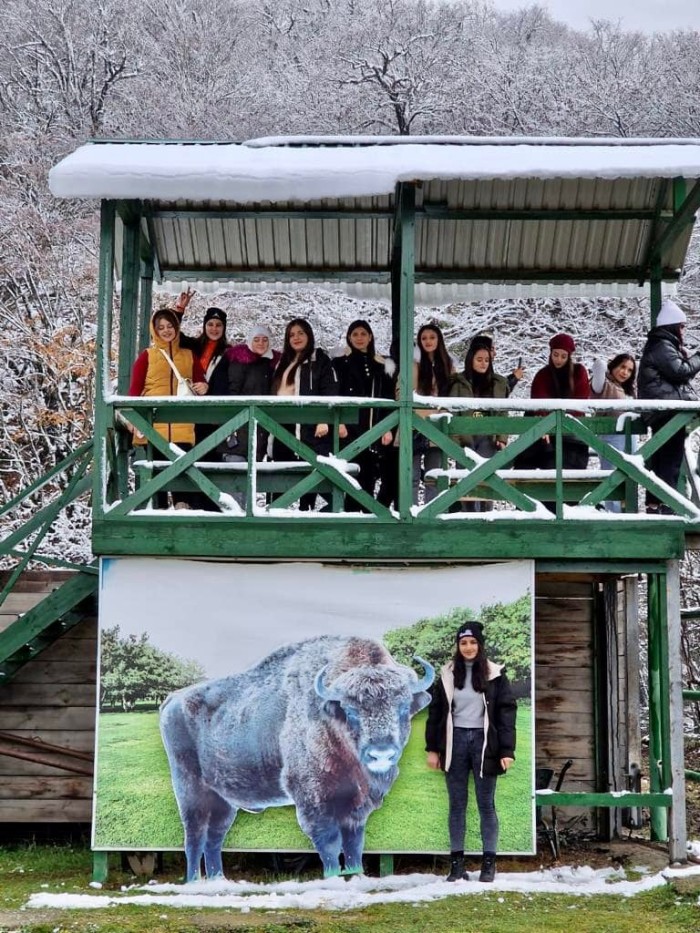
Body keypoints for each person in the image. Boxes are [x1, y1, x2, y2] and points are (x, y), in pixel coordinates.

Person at [425, 621, 516, 884]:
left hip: (484, 743)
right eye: (463, 643)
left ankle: (488, 865)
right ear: (458, 646)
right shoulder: (447, 674)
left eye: (473, 642)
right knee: (457, 805)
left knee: (486, 804)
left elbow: (506, 713)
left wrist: (506, 750)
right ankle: (456, 866)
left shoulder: (494, 674)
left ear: (480, 645)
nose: (468, 647)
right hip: (455, 744)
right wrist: (433, 748)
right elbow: (436, 714)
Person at [128, 308, 208, 509]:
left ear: (177, 327)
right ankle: (159, 514)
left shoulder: (189, 355)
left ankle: (183, 515)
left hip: (183, 427)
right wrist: (131, 419)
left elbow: (201, 380)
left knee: (183, 477)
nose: (166, 330)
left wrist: (204, 386)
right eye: (161, 327)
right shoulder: (147, 356)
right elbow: (134, 392)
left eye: (170, 326)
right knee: (158, 480)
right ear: (154, 331)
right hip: (153, 429)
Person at [270, 318, 340, 511]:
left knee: (312, 481)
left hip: (310, 430)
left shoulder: (320, 360)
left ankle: (309, 517)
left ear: (309, 335)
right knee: (279, 480)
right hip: (281, 429)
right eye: (292, 334)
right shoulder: (282, 363)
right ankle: (276, 521)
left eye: (301, 333)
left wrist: (322, 419)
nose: (296, 337)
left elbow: (330, 390)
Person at [638, 299, 700, 513]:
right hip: (665, 412)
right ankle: (666, 505)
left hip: (662, 411)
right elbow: (680, 371)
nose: (684, 330)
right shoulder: (662, 345)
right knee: (669, 460)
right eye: (681, 326)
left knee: (662, 458)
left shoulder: (659, 344)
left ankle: (656, 505)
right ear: (673, 325)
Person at [333, 320, 395, 509]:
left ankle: (369, 523)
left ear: (370, 337)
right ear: (349, 338)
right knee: (352, 478)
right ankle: (352, 524)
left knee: (371, 478)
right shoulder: (339, 363)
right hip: (349, 429)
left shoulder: (383, 364)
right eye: (355, 334)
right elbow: (333, 394)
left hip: (375, 428)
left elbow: (389, 399)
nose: (359, 338)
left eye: (363, 334)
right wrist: (339, 423)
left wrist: (388, 428)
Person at [449, 337, 510, 511]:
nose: (483, 364)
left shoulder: (499, 383)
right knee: (466, 481)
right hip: (465, 436)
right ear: (471, 360)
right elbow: (452, 412)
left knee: (486, 479)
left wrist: (502, 438)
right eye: (479, 359)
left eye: (486, 360)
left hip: (488, 435)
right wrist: (454, 442)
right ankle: (468, 518)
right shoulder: (458, 382)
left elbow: (503, 412)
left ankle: (486, 518)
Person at [224, 325, 281, 506]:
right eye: (256, 339)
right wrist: (230, 426)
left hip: (259, 433)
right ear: (249, 341)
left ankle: (244, 519)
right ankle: (234, 523)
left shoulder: (272, 365)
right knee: (235, 481)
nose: (261, 343)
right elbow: (232, 393)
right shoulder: (240, 361)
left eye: (265, 339)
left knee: (249, 482)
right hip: (237, 432)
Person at [526, 332, 591, 471]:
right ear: (550, 353)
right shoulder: (543, 375)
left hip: (572, 432)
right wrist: (545, 424)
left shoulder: (579, 372)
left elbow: (579, 402)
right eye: (555, 355)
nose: (559, 360)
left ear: (569, 356)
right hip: (548, 432)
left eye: (563, 356)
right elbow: (539, 401)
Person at [413, 323, 455, 504]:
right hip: (415, 424)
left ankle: (431, 513)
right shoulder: (412, 365)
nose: (428, 341)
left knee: (434, 475)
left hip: (438, 425)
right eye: (424, 338)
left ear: (439, 340)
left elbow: (455, 393)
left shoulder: (448, 365)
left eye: (432, 337)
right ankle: (411, 511)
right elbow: (402, 391)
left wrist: (443, 412)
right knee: (412, 476)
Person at [590, 353, 637, 512]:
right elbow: (598, 366)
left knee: (630, 477)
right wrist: (606, 363)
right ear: (614, 365)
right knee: (611, 476)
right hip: (612, 435)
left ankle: (628, 513)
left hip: (631, 437)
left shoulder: (627, 390)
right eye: (622, 367)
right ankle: (613, 515)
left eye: (630, 370)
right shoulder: (604, 384)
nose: (625, 372)